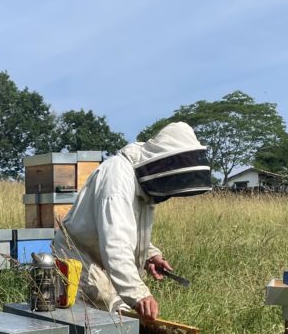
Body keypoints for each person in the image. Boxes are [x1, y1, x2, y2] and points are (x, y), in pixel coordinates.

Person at [53, 122, 212, 321]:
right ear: (163, 163)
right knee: (85, 326)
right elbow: (116, 241)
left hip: (103, 262)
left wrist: (150, 255)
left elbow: (126, 228)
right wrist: (139, 294)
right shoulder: (118, 180)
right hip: (79, 261)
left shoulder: (139, 183)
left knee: (117, 324)